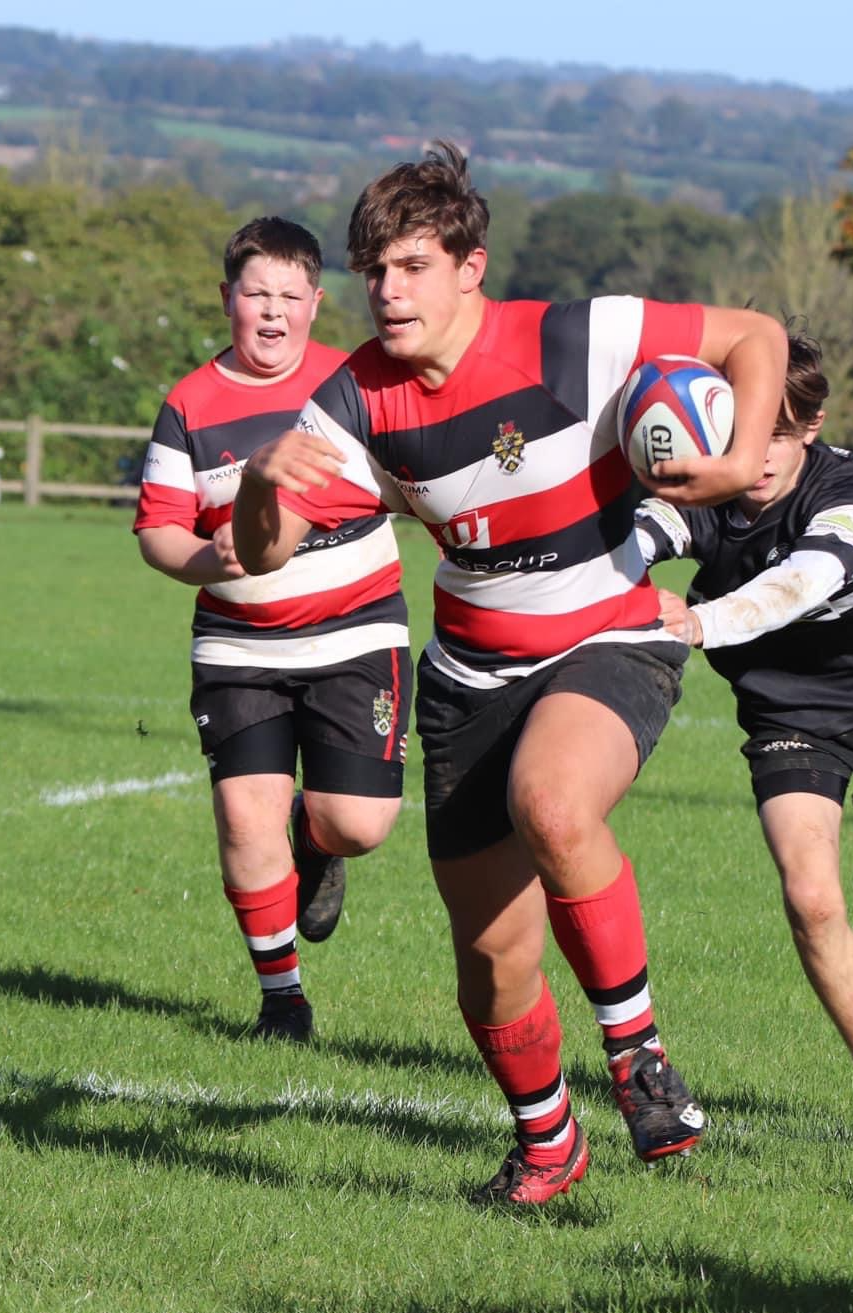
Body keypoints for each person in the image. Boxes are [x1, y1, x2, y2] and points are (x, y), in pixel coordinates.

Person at [233, 141, 789, 1205]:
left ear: (468, 267)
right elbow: (260, 552)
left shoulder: (573, 336)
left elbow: (754, 335)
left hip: (608, 633)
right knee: (490, 962)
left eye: (411, 267)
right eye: (373, 272)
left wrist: (730, 462)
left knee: (553, 801)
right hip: (470, 674)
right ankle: (547, 1146)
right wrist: (263, 481)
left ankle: (637, 1058)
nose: (387, 293)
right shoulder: (353, 398)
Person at [637, 331, 853, 1201]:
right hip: (788, 717)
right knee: (811, 896)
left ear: (812, 426)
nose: (756, 454)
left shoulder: (849, 496)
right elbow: (641, 532)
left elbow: (804, 582)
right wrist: (621, 570)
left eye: (776, 434)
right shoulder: (713, 484)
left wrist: (702, 621)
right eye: (742, 430)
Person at [134, 217, 411, 1043]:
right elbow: (158, 531)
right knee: (245, 817)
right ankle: (283, 1001)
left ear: (317, 304)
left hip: (357, 635)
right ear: (228, 299)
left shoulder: (358, 385)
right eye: (257, 294)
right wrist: (207, 564)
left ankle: (318, 846)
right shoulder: (188, 404)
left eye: (291, 296)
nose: (273, 312)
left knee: (356, 824)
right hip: (237, 649)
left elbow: (420, 477)